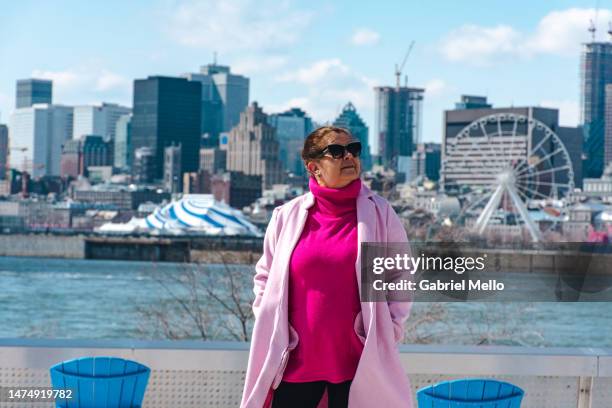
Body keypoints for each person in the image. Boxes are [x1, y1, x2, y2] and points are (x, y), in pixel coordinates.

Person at [240, 126, 413, 408]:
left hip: (358, 365)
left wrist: (391, 328)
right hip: (294, 363)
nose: (349, 156)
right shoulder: (286, 216)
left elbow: (400, 275)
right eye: (336, 151)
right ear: (314, 166)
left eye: (354, 150)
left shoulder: (380, 213)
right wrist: (267, 316)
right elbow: (265, 276)